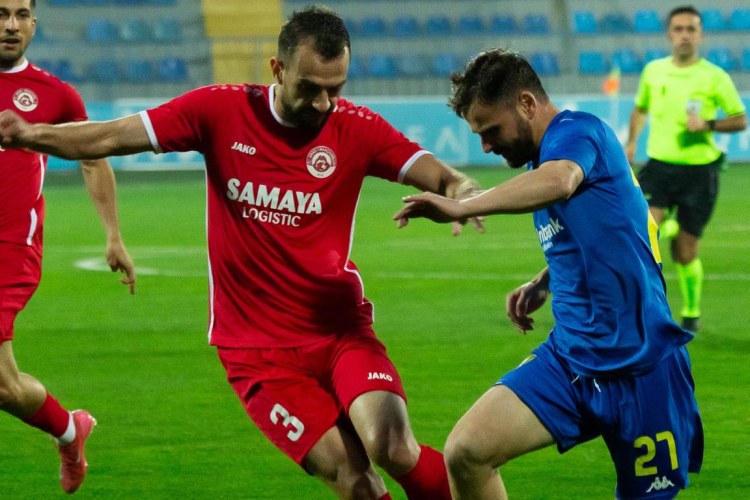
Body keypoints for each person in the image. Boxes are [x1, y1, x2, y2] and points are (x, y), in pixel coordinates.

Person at [0, 5, 483, 499]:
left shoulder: (356, 128)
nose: (323, 103)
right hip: (256, 352)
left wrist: (465, 196)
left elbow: (447, 177)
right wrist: (31, 134)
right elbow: (110, 135)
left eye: (335, 89)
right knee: (353, 479)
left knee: (392, 445)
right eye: (309, 88)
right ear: (277, 69)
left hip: (339, 331)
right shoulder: (220, 111)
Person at [393, 49, 703, 499]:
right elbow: (613, 230)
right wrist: (545, 281)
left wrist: (462, 205)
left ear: (526, 103)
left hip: (641, 366)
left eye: (491, 130)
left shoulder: (579, 132)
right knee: (466, 452)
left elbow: (561, 181)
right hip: (571, 360)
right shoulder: (543, 160)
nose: (486, 146)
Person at [0, 0, 135, 494]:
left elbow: (93, 159)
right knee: (4, 386)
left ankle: (69, 430)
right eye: (0, 13)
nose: (10, 25)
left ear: (34, 24)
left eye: (21, 14)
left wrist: (113, 234)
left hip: (10, 252)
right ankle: (70, 430)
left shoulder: (53, 94)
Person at [625, 5, 747, 332]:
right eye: (678, 29)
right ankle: (644, 311)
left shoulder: (715, 77)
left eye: (691, 29)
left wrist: (708, 124)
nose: (684, 35)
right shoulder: (653, 71)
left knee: (685, 251)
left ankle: (691, 312)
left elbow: (740, 119)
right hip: (659, 167)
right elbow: (640, 108)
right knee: (644, 230)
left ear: (700, 35)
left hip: (700, 173)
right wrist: (632, 142)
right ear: (669, 34)